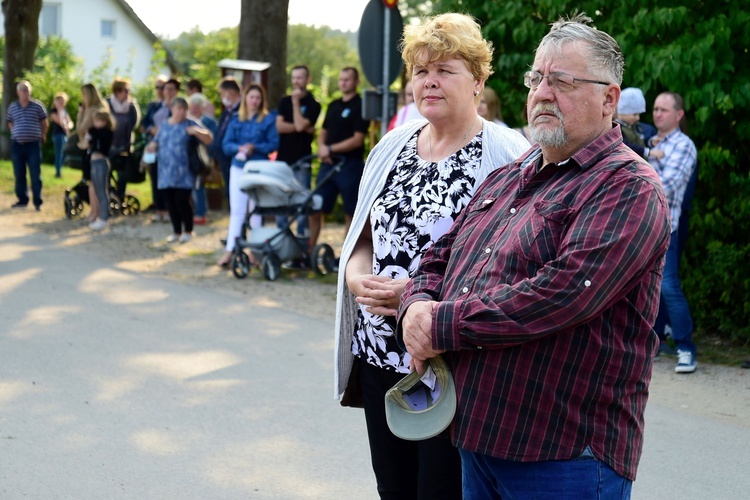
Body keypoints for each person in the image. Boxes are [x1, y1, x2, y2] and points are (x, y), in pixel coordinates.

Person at [397, 13, 671, 498]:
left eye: (563, 81)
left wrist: (440, 325)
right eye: (537, 78)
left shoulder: (628, 186)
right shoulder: (517, 171)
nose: (543, 93)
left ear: (609, 99)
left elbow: (563, 294)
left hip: (565, 454)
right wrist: (416, 305)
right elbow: (441, 253)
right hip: (481, 440)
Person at [334, 13, 530, 499]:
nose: (430, 81)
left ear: (479, 80)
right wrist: (358, 278)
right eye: (421, 71)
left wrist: (421, 295)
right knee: (394, 489)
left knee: (443, 491)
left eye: (445, 69)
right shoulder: (392, 145)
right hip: (381, 353)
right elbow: (362, 234)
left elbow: (518, 264)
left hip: (454, 361)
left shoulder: (508, 153)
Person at [649, 91, 699, 374]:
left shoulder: (684, 145)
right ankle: (652, 344)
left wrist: (642, 165)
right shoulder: (652, 143)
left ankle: (685, 348)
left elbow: (665, 185)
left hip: (667, 227)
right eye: (655, 109)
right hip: (643, 226)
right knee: (646, 288)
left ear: (679, 115)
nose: (657, 114)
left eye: (664, 110)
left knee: (668, 287)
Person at [308, 67, 370, 255]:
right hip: (328, 164)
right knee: (315, 205)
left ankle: (346, 256)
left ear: (356, 82)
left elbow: (357, 139)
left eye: (347, 79)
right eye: (341, 79)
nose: (343, 83)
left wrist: (331, 148)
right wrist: (322, 148)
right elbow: (323, 132)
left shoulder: (361, 106)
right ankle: (309, 252)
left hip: (350, 165)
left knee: (351, 212)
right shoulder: (333, 105)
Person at [216, 83, 279, 267]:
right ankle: (230, 250)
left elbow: (273, 144)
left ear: (261, 101)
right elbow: (226, 145)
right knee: (237, 211)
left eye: (258, 98)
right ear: (246, 98)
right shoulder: (236, 119)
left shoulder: (268, 119)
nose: (254, 101)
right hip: (238, 167)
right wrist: (239, 148)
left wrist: (255, 147)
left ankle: (254, 253)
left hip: (258, 168)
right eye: (251, 97)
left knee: (255, 211)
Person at [145, 97, 213, 243]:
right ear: (172, 109)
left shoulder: (190, 122)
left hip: (185, 172)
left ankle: (188, 230)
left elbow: (208, 138)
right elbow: (156, 140)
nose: (181, 112)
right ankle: (176, 231)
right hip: (166, 171)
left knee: (182, 201)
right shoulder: (165, 124)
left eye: (184, 109)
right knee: (170, 202)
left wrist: (195, 132)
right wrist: (152, 146)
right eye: (178, 108)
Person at [275, 64, 322, 249]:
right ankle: (282, 238)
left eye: (300, 78)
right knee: (281, 201)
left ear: (307, 79)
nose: (296, 81)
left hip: (303, 161)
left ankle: (301, 240)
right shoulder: (283, 102)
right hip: (283, 161)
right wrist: (300, 126)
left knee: (302, 202)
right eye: (293, 78)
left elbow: (303, 127)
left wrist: (296, 106)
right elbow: (280, 127)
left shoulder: (313, 104)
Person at [8, 80, 48, 210]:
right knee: (19, 173)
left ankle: (37, 201)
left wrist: (43, 135)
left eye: (27, 89)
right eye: (22, 90)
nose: (25, 92)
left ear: (30, 91)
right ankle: (22, 200)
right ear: (17, 92)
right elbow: (10, 122)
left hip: (33, 144)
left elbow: (44, 122)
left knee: (35, 174)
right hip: (17, 145)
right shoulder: (13, 107)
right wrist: (15, 132)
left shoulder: (38, 106)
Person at [74, 83, 111, 222]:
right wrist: (81, 111)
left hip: (95, 151)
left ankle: (97, 213)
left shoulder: (96, 110)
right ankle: (93, 212)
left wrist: (81, 113)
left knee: (95, 184)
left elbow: (80, 129)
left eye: (84, 94)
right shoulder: (88, 109)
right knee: (91, 183)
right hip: (88, 149)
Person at [140, 75, 172, 222]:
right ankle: (158, 208)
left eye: (162, 87)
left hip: (167, 146)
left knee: (165, 178)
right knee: (154, 177)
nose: (159, 90)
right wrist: (151, 129)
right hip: (153, 145)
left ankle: (167, 209)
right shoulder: (153, 106)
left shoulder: (173, 106)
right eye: (157, 87)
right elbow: (144, 122)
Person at [106, 77, 141, 201]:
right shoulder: (108, 104)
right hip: (109, 144)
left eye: (128, 90)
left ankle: (120, 196)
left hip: (124, 145)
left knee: (122, 173)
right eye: (125, 90)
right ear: (117, 91)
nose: (128, 93)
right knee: (107, 171)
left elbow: (134, 124)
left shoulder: (131, 106)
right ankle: (108, 194)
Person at [210, 77, 242, 207]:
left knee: (234, 190)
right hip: (222, 157)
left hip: (233, 156)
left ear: (230, 92)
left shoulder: (241, 110)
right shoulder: (228, 111)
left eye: (222, 93)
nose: (222, 96)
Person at [188, 92, 218, 225]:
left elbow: (212, 141)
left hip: (204, 158)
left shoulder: (209, 121)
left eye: (197, 106)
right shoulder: (187, 121)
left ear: (202, 107)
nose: (194, 109)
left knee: (198, 184)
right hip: (190, 158)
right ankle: (195, 211)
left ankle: (201, 213)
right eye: (192, 106)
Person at [86, 111, 115, 231]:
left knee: (102, 192)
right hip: (94, 162)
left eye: (98, 121)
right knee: (97, 191)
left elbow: (98, 137)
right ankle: (100, 217)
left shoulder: (107, 133)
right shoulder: (95, 132)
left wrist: (91, 133)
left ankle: (104, 218)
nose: (95, 124)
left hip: (101, 163)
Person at [616, 87, 660, 161]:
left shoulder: (635, 125)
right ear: (624, 111)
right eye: (635, 114)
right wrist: (648, 152)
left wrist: (651, 143)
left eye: (639, 114)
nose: (638, 118)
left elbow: (639, 142)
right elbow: (626, 146)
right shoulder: (616, 128)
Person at [48, 92, 74, 178]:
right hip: (58, 134)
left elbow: (70, 122)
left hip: (65, 134)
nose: (62, 103)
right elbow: (59, 121)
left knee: (64, 153)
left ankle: (59, 169)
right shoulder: (53, 111)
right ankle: (58, 173)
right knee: (59, 153)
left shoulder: (65, 111)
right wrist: (59, 109)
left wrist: (68, 126)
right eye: (60, 101)